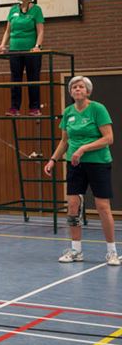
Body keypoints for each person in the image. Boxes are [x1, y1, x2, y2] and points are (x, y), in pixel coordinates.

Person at [44, 76, 118, 266]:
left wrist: (83, 149)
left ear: (88, 91)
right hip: (75, 164)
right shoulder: (68, 112)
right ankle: (76, 250)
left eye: (81, 87)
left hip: (98, 163)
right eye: (74, 87)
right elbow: (64, 141)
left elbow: (108, 138)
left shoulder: (98, 109)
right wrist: (53, 160)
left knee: (102, 207)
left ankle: (112, 252)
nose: (77, 89)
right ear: (70, 92)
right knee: (73, 206)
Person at [0, 0, 45, 116]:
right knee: (15, 79)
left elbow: (40, 31)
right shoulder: (13, 10)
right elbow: (8, 30)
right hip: (15, 50)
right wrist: (2, 45)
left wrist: (37, 46)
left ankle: (34, 108)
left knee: (33, 78)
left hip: (31, 51)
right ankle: (14, 108)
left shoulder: (36, 10)